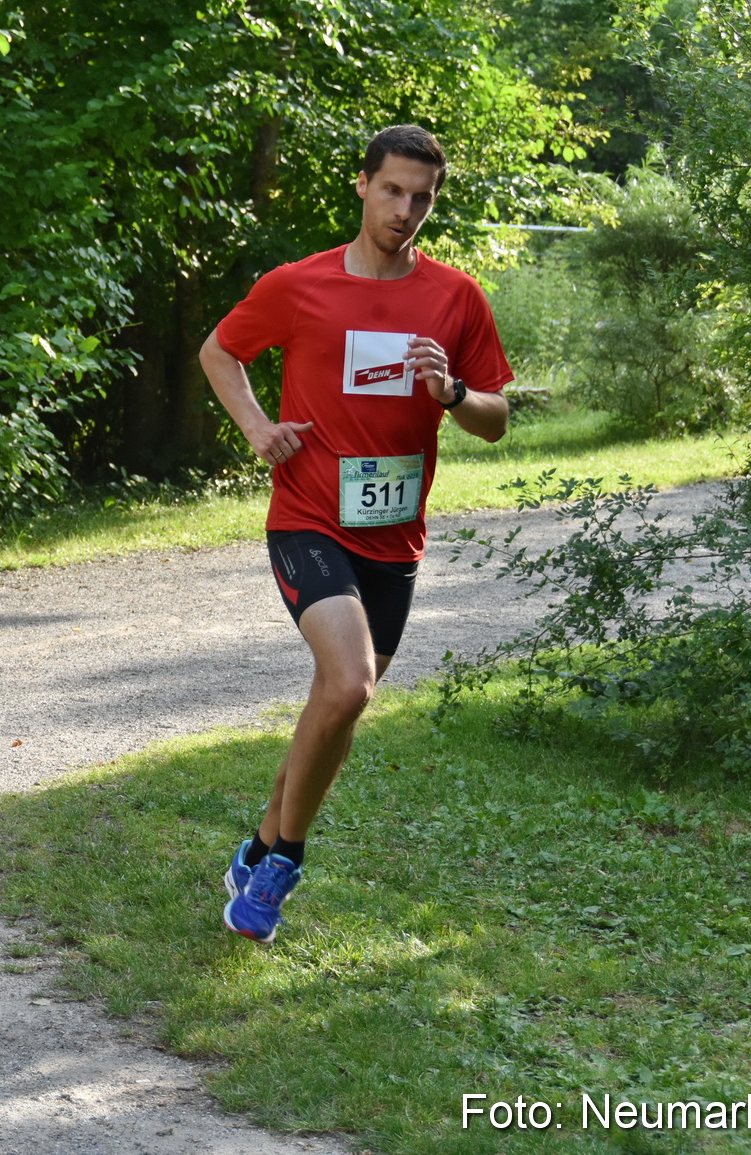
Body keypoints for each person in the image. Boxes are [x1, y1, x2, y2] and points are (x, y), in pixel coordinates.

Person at [199, 124, 513, 943]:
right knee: (350, 684)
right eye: (393, 190)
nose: (407, 210)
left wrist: (449, 394)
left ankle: (260, 841)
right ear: (364, 184)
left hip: (394, 537)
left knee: (337, 710)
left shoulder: (456, 297)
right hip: (307, 515)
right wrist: (259, 429)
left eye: (423, 197)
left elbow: (497, 420)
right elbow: (220, 351)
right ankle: (282, 867)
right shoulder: (299, 285)